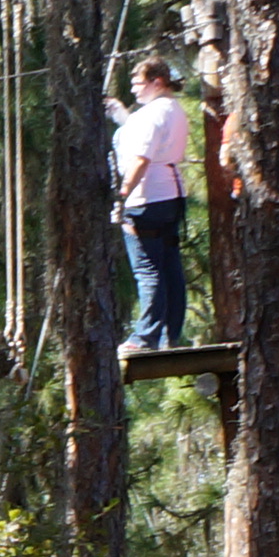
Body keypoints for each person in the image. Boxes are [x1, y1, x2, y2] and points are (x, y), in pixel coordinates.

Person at [109, 53, 200, 352]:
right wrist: (122, 116)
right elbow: (150, 141)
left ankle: (144, 337)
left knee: (148, 270)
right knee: (170, 265)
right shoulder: (173, 110)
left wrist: (123, 194)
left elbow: (141, 158)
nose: (133, 89)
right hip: (171, 194)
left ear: (156, 82)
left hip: (146, 197)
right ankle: (169, 335)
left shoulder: (151, 114)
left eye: (138, 83)